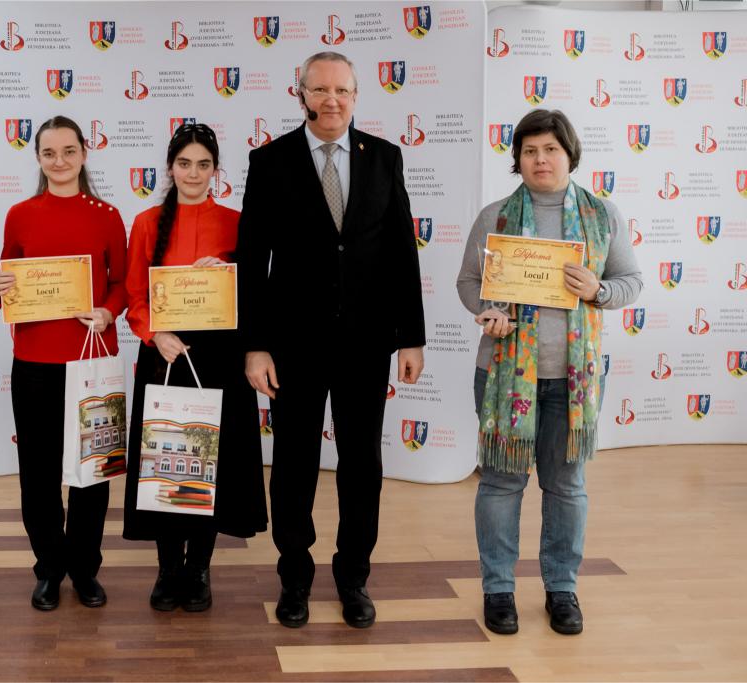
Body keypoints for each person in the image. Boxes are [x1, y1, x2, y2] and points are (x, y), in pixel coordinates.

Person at [237, 51, 426, 630]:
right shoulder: (269, 161)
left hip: (365, 343)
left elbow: (402, 252)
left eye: (342, 90)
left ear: (356, 95)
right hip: (291, 346)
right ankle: (294, 577)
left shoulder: (384, 157)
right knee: (293, 464)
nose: (332, 100)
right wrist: (255, 345)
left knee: (361, 464)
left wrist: (411, 337)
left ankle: (353, 576)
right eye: (320, 90)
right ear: (301, 95)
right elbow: (252, 261)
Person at [456, 108, 642, 636]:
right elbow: (468, 281)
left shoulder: (603, 216)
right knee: (501, 482)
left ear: (569, 154)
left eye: (551, 149)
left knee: (566, 486)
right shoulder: (495, 216)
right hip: (503, 375)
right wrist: (487, 310)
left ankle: (562, 588)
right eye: (530, 151)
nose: (541, 159)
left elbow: (630, 281)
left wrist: (598, 290)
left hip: (573, 380)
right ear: (517, 159)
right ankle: (498, 590)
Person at [122, 123, 268, 612]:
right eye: (184, 164)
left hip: (219, 357)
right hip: (165, 354)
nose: (193, 173)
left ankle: (199, 568)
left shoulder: (236, 221)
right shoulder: (146, 222)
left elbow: (253, 294)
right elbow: (134, 295)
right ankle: (168, 568)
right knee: (166, 461)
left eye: (203, 164)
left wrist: (227, 277)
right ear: (170, 168)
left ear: (215, 170)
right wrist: (154, 333)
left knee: (210, 462)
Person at [0, 116, 127, 611]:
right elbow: (7, 278)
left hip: (92, 361)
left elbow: (122, 283)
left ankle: (85, 569)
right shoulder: (19, 215)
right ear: (38, 158)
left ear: (84, 153)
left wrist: (108, 310)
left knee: (93, 471)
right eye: (49, 153)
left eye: (69, 151)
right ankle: (49, 567)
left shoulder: (107, 215)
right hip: (34, 363)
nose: (60, 161)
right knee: (39, 474)